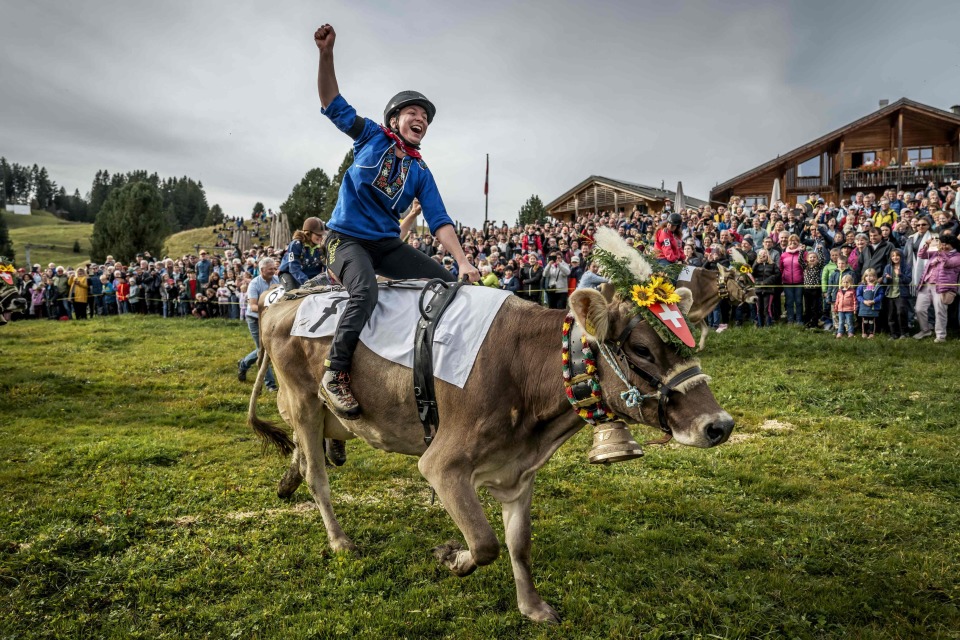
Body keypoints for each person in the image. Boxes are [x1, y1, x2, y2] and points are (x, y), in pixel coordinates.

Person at [312, 23, 479, 418]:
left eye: (424, 116)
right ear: (395, 119)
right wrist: (326, 54)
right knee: (365, 291)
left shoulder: (421, 171)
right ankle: (334, 373)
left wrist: (463, 260)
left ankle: (426, 368)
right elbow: (332, 102)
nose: (420, 118)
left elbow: (439, 219)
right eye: (412, 112)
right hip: (344, 239)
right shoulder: (371, 136)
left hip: (386, 244)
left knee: (443, 283)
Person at [238, 257, 279, 391]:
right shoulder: (255, 284)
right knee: (263, 349)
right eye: (270, 269)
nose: (273, 271)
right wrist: (270, 307)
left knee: (267, 348)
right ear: (262, 270)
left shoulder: (277, 281)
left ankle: (244, 363)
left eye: (274, 268)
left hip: (271, 319)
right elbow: (253, 306)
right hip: (255, 319)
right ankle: (270, 384)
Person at [278, 217, 327, 291]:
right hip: (290, 274)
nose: (321, 238)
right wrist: (307, 282)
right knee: (292, 292)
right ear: (308, 233)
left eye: (322, 235)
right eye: (318, 235)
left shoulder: (321, 247)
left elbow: (326, 266)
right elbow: (293, 268)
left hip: (311, 275)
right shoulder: (296, 244)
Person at [880, 249, 911, 339]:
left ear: (901, 256)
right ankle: (893, 333)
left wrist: (900, 274)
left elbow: (908, 280)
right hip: (890, 293)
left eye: (897, 255)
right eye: (893, 256)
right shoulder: (888, 267)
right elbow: (884, 281)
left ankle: (904, 333)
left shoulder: (906, 267)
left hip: (901, 293)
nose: (895, 257)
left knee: (901, 312)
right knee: (891, 315)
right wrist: (887, 278)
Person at [856, 268, 883, 339]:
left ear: (875, 276)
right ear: (864, 277)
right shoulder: (861, 285)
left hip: (873, 306)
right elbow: (858, 295)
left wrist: (874, 301)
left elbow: (880, 295)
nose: (868, 277)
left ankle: (871, 333)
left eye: (871, 276)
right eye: (866, 275)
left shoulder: (877, 286)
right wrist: (864, 301)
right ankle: (864, 332)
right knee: (864, 320)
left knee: (871, 320)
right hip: (864, 306)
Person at [834, 274, 857, 339]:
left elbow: (855, 301)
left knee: (849, 322)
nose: (845, 283)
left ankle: (850, 332)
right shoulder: (839, 291)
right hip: (840, 310)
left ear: (850, 282)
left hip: (849, 309)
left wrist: (855, 309)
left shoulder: (852, 291)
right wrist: (836, 308)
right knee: (841, 322)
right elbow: (837, 300)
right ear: (841, 283)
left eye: (847, 282)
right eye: (844, 282)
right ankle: (840, 332)